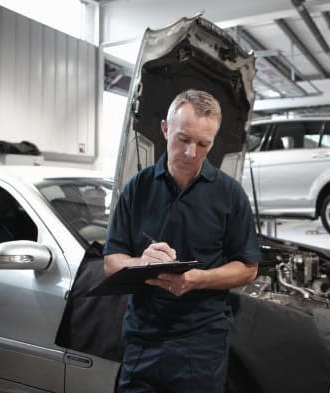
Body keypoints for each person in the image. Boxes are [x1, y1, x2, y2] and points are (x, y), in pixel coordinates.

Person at [103, 89, 261, 393]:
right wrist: (141, 263)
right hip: (142, 338)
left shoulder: (230, 195)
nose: (191, 153)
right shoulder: (137, 188)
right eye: (183, 139)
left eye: (203, 144)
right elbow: (111, 262)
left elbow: (248, 268)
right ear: (165, 128)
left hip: (201, 344)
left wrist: (197, 279)